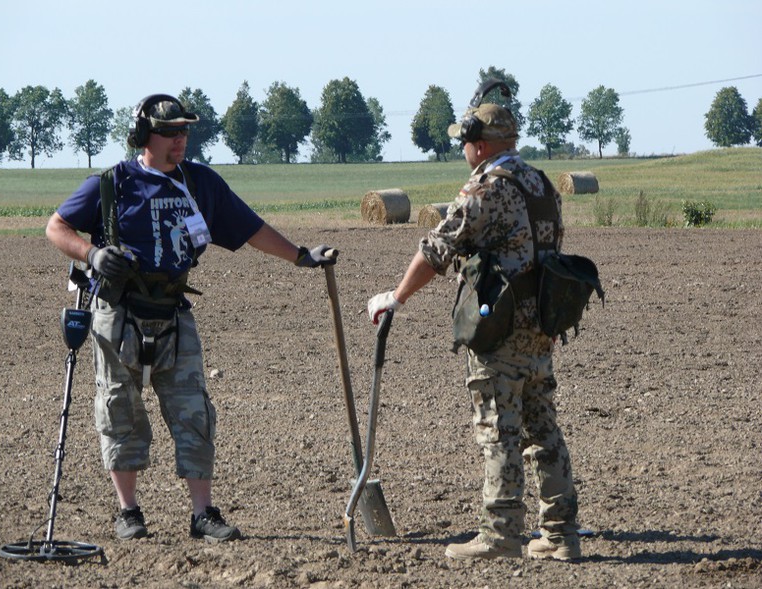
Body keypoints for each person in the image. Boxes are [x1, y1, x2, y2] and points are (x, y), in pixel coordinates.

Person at [46, 93, 335, 543]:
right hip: (118, 314)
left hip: (173, 313)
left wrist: (299, 256)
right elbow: (56, 227)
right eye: (169, 132)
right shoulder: (111, 183)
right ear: (144, 136)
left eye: (183, 132)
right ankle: (128, 512)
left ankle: (203, 514)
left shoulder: (200, 183)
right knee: (119, 409)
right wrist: (93, 253)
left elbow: (251, 228)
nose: (179, 140)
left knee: (194, 412)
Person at [367, 98, 581, 561]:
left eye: (464, 142)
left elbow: (437, 250)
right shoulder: (542, 183)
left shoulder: (486, 188)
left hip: (499, 328)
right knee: (543, 429)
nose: (462, 149)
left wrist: (396, 297)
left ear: (479, 145)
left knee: (499, 431)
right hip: (541, 326)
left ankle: (500, 536)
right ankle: (562, 535)